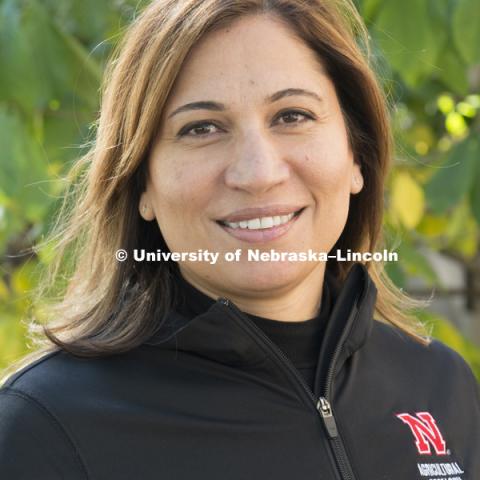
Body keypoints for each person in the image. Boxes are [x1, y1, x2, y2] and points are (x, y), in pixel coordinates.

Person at [0, 0, 478, 479]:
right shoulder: (44, 425)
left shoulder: (441, 385)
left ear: (357, 155)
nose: (258, 173)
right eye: (201, 128)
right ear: (142, 183)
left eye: (293, 116)